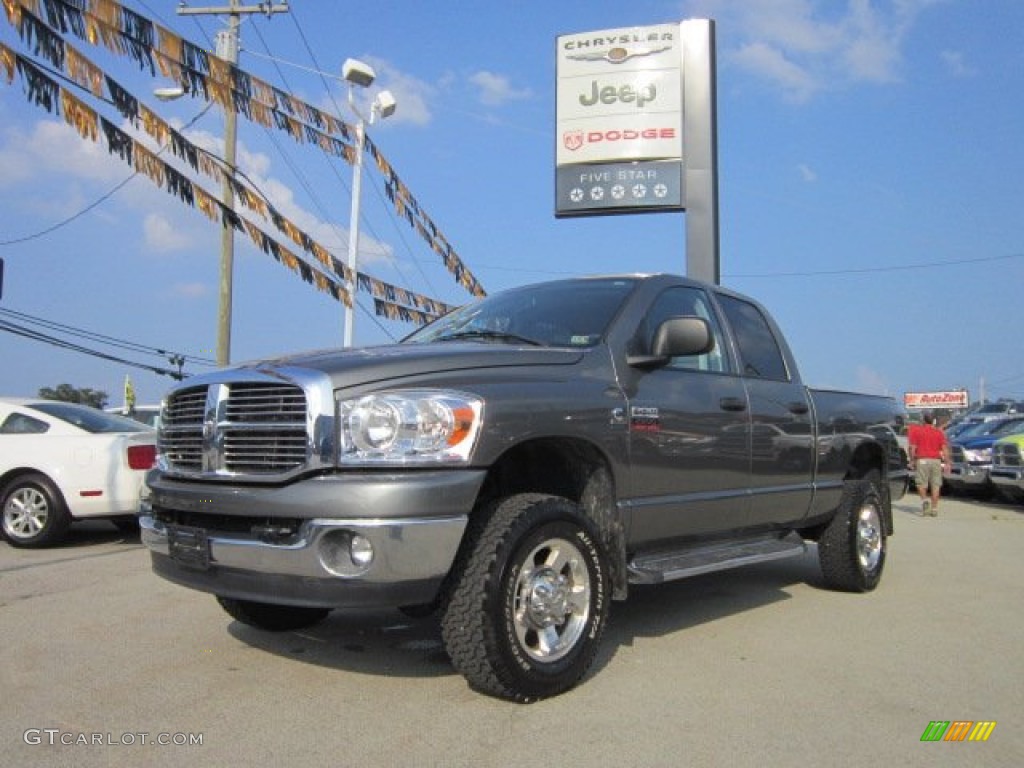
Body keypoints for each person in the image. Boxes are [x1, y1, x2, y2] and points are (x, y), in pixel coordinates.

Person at [908, 412, 950, 516]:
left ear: (923, 420)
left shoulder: (917, 432)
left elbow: (912, 448)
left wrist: (912, 460)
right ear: (933, 421)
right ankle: (934, 508)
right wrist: (947, 462)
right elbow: (945, 449)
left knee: (921, 483)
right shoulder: (939, 433)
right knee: (936, 485)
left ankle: (924, 501)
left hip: (922, 460)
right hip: (936, 460)